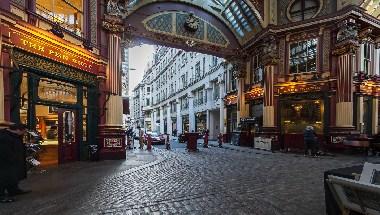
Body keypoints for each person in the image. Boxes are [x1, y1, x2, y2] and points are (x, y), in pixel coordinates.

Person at [0, 123, 30, 203]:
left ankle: (13, 190)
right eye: (23, 131)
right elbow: (4, 152)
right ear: (17, 130)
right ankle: (1, 196)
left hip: (13, 161)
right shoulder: (4, 137)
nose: (24, 133)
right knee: (3, 178)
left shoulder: (15, 135)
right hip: (5, 162)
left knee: (13, 177)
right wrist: (13, 158)